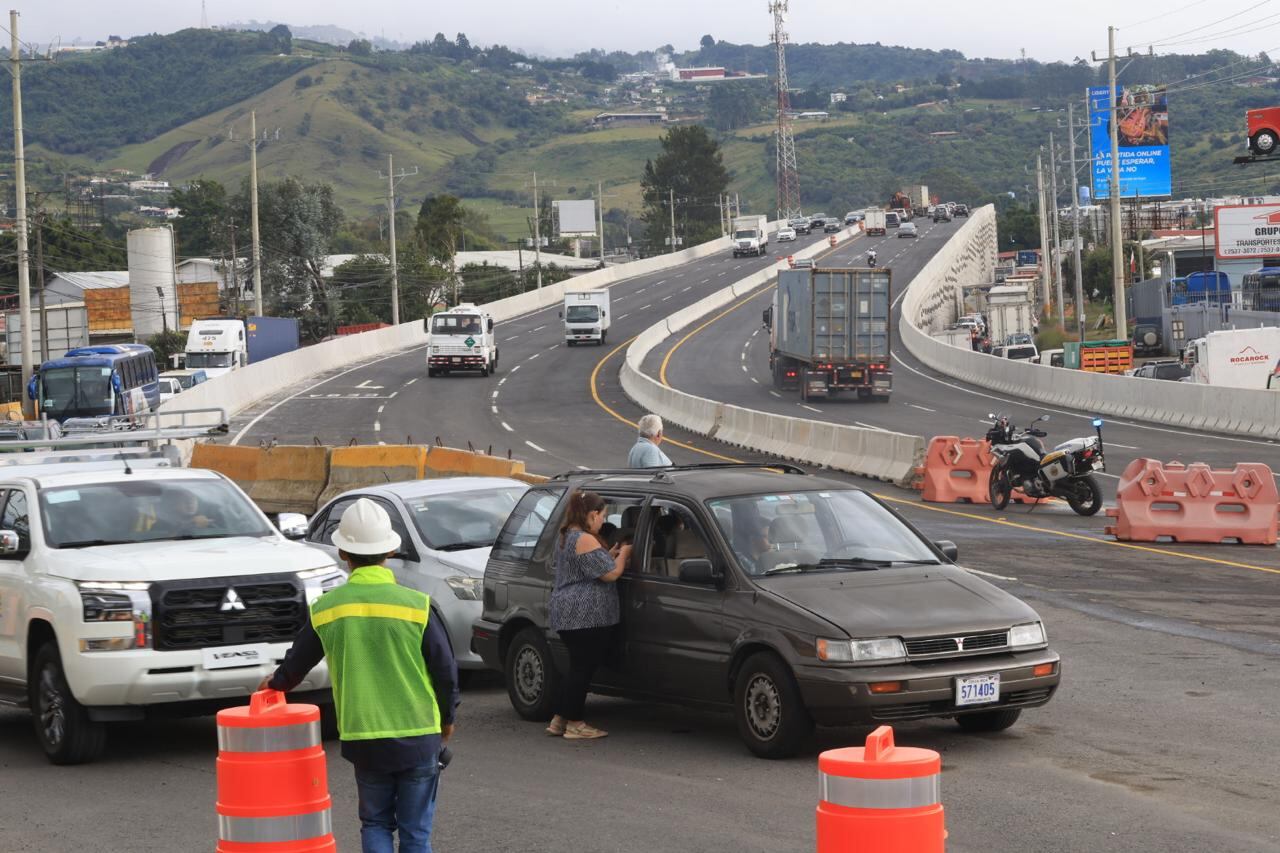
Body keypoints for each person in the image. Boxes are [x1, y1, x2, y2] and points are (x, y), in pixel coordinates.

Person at [262, 498, 459, 853]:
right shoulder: (417, 606)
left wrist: (273, 685)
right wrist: (447, 719)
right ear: (391, 550)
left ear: (342, 552)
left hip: (364, 737)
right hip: (418, 734)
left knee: (376, 823)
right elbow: (445, 672)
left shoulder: (327, 609)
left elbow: (295, 667)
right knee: (416, 834)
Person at [545, 491, 630, 740]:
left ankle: (560, 719)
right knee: (582, 669)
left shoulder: (568, 535)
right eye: (603, 516)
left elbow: (589, 565)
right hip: (584, 615)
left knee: (577, 667)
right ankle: (576, 724)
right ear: (592, 515)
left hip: (569, 614)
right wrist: (625, 554)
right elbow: (611, 574)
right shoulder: (584, 538)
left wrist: (609, 555)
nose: (604, 521)